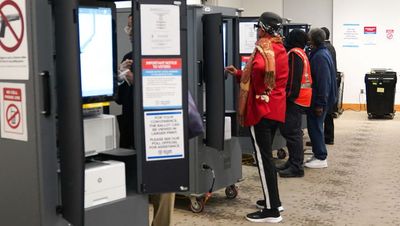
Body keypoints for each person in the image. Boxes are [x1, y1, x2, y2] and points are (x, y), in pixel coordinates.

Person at [225, 12, 288, 223]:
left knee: (263, 161)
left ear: (262, 28)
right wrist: (239, 74)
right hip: (276, 110)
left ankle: (272, 212)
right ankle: (274, 201)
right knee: (266, 159)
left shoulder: (265, 47)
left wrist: (250, 67)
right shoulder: (280, 47)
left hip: (261, 111)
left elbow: (260, 67)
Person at [116, 14, 175, 226]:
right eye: (128, 27)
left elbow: (165, 93)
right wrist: (120, 77)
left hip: (159, 133)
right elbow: (120, 99)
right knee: (134, 185)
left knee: (164, 186)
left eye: (132, 27)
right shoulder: (130, 56)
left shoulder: (165, 57)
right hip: (132, 130)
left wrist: (135, 80)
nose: (129, 32)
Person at [276, 29, 312, 178]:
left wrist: (288, 97)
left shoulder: (294, 54)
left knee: (292, 133)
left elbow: (293, 80)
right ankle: (292, 162)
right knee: (293, 132)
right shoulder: (301, 52)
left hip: (295, 99)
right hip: (302, 98)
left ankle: (296, 166)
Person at [304, 28, 337, 169]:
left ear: (313, 40)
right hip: (320, 99)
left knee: (315, 127)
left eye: (309, 37)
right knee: (315, 127)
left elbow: (323, 82)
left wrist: (320, 104)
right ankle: (318, 153)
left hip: (319, 100)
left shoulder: (320, 57)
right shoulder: (320, 53)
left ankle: (321, 157)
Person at [321, 27, 337, 145]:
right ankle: (328, 136)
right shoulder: (331, 47)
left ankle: (328, 137)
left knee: (327, 113)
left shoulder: (325, 49)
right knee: (329, 113)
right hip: (332, 82)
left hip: (327, 83)